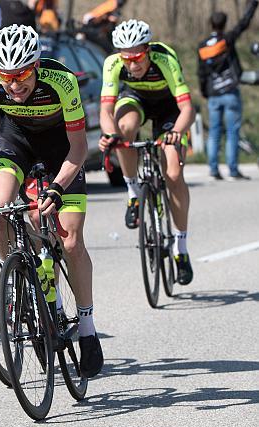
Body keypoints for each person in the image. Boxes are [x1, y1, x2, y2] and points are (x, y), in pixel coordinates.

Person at [0, 24, 104, 379]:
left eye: (22, 74)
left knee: (70, 239)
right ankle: (16, 276)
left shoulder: (61, 81)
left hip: (61, 150)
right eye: (7, 76)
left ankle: (87, 328)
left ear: (36, 65)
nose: (14, 84)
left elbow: (79, 148)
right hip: (16, 142)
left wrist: (56, 187)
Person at [98, 20, 195, 285]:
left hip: (169, 109)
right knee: (125, 127)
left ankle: (181, 248)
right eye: (126, 58)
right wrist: (110, 135)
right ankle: (133, 194)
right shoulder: (113, 64)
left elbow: (188, 109)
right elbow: (106, 112)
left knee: (173, 173)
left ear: (148, 50)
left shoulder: (165, 59)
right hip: (135, 100)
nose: (133, 64)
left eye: (138, 57)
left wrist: (177, 133)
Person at [197, 0, 259, 180]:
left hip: (213, 95)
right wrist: (253, 5)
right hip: (230, 91)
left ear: (211, 24)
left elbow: (201, 72)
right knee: (232, 132)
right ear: (224, 24)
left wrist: (204, 91)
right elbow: (243, 24)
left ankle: (213, 169)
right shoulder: (227, 40)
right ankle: (232, 170)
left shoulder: (202, 46)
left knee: (215, 132)